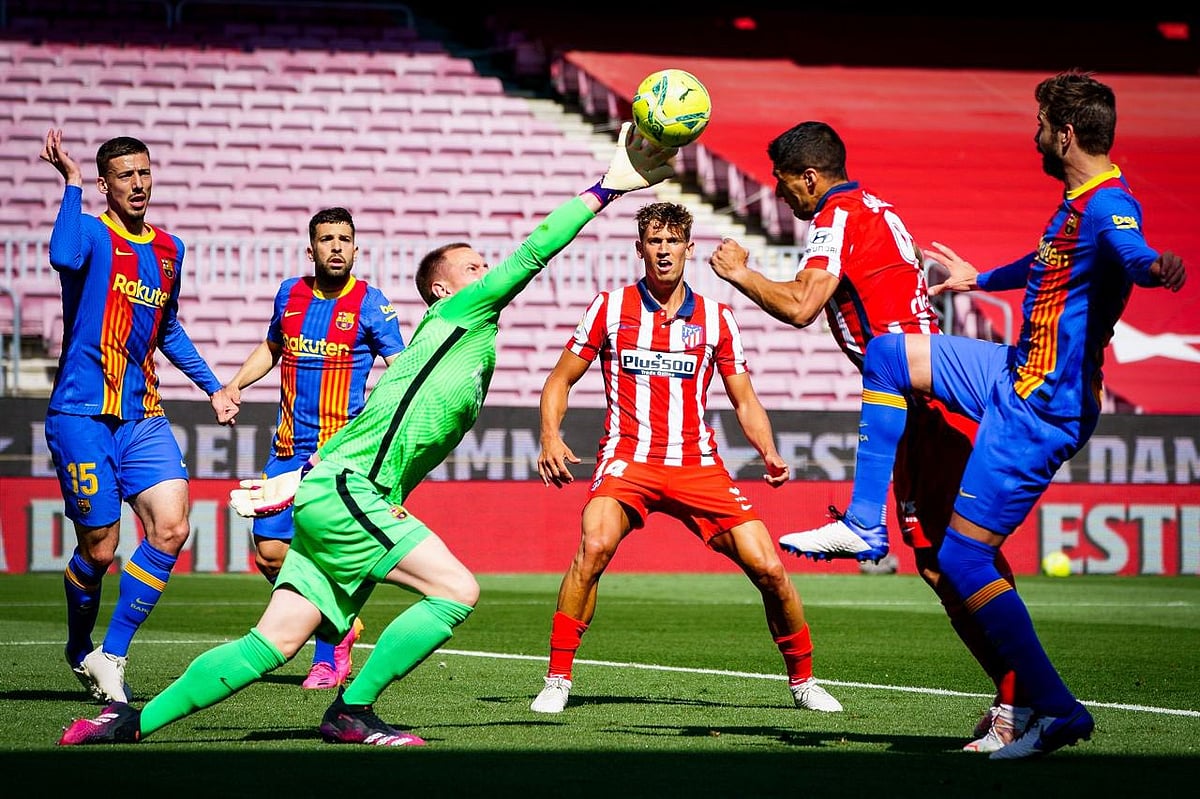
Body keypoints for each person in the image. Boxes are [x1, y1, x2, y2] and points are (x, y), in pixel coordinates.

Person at [57, 121, 676, 747]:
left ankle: (131, 724)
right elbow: (533, 252)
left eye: (485, 264)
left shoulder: (452, 342)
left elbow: (375, 415)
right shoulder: (461, 312)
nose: (488, 270)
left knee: (271, 642)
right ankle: (352, 710)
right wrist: (607, 187)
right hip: (355, 491)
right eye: (474, 266)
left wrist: (305, 477)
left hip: (339, 486)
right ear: (443, 289)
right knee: (456, 591)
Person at [776, 72, 1186, 759]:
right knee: (888, 355)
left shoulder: (1109, 203)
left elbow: (1131, 250)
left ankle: (1056, 710)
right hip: (1010, 367)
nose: (1034, 135)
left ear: (1065, 134)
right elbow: (1047, 263)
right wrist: (980, 279)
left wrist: (1153, 268)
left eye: (1040, 125)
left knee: (962, 559)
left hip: (1041, 403)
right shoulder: (1077, 203)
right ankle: (863, 522)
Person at [708, 120, 1025, 752]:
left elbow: (802, 305)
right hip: (918, 401)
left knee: (963, 558)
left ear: (809, 177)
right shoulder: (875, 207)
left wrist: (740, 273)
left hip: (929, 403)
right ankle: (1015, 696)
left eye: (782, 182)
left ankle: (1024, 701)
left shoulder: (837, 216)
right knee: (938, 561)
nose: (779, 195)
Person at [529, 201, 842, 716]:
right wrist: (549, 436)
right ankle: (558, 678)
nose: (663, 250)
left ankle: (804, 681)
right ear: (639, 249)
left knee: (769, 568)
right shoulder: (609, 307)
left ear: (689, 248)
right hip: (629, 459)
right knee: (594, 546)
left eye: (672, 241)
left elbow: (744, 398)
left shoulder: (717, 318)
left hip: (698, 465)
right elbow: (560, 379)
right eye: (654, 241)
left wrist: (768, 451)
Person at [39, 129, 235, 705]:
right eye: (125, 175)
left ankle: (113, 653)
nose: (138, 183)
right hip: (82, 413)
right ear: (106, 185)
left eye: (144, 172)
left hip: (143, 414)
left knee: (172, 528)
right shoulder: (90, 232)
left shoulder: (170, 249)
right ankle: (80, 647)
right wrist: (72, 184)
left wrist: (212, 387)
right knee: (101, 550)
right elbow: (61, 256)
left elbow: (166, 327)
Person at [212, 207, 405, 690]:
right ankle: (340, 623)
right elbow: (272, 347)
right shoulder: (290, 294)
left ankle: (326, 657)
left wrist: (375, 428)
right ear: (311, 248)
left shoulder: (371, 303)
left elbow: (400, 371)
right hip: (286, 448)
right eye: (326, 239)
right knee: (269, 553)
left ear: (356, 249)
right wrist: (234, 384)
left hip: (338, 457)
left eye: (344, 239)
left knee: (322, 554)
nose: (336, 247)